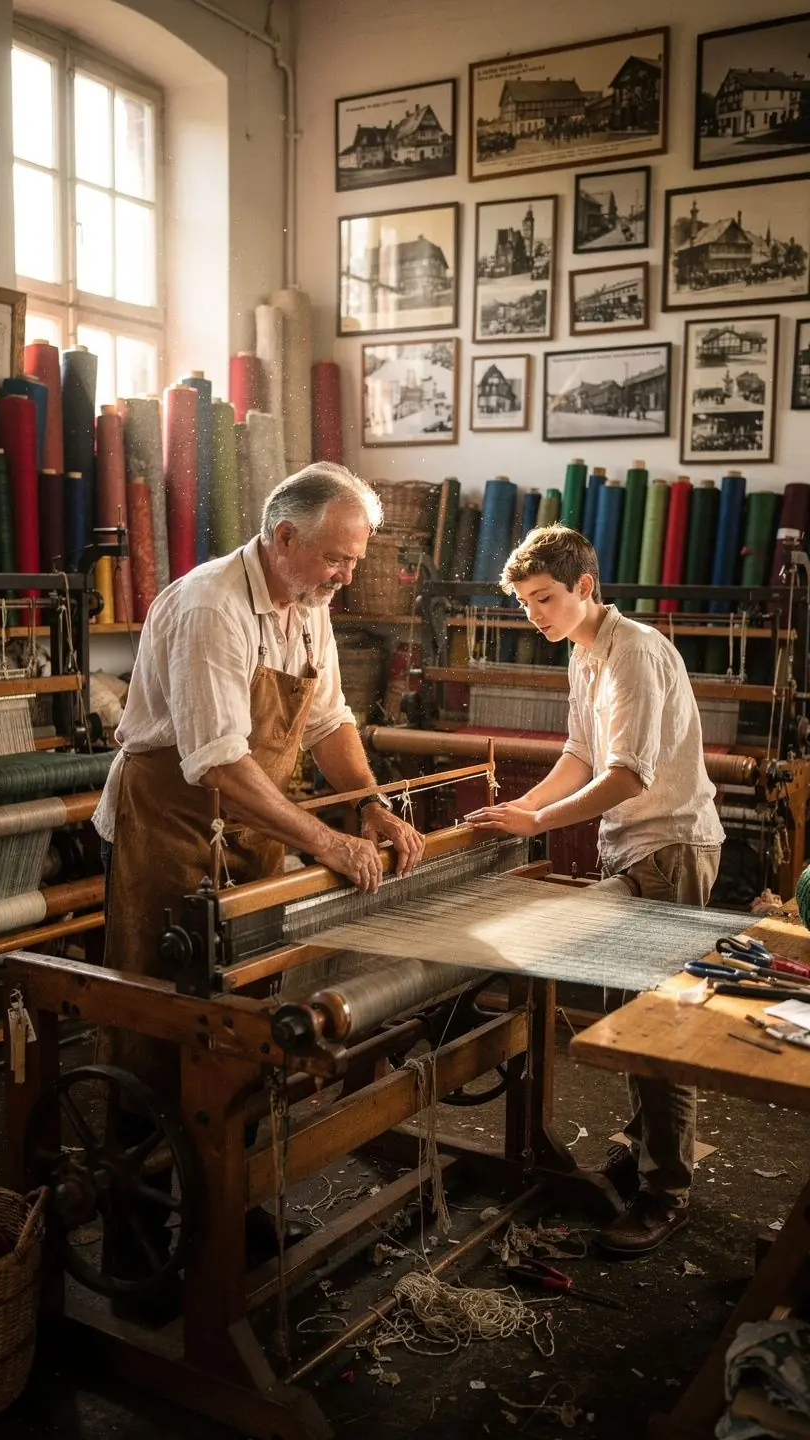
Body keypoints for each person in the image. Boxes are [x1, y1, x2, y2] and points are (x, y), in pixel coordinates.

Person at [92, 461, 425, 1302]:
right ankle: (132, 1239)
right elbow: (213, 760)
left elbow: (328, 723)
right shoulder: (211, 606)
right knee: (159, 1022)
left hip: (249, 830)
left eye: (354, 560)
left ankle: (227, 1212)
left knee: (242, 1028)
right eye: (336, 559)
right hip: (171, 825)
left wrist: (371, 810)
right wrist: (323, 836)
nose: (347, 577)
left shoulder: (308, 610)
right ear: (283, 539)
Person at [465, 523, 724, 1257]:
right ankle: (646, 1149)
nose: (534, 615)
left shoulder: (635, 653)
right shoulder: (585, 653)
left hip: (670, 848)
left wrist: (538, 820)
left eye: (544, 598)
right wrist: (525, 817)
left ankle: (665, 1192)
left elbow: (629, 776)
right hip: (635, 845)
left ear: (585, 586)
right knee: (634, 1012)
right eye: (523, 605)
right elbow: (582, 753)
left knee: (658, 1028)